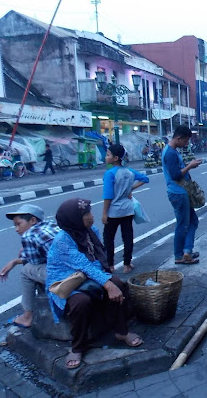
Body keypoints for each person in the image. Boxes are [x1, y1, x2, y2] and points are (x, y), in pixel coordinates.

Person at [46, 198, 142, 370]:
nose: (92, 216)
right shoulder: (62, 240)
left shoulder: (92, 231)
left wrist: (109, 282)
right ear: (74, 219)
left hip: (88, 275)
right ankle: (77, 346)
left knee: (118, 283)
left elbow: (97, 261)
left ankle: (121, 331)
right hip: (67, 281)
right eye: (87, 214)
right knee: (81, 302)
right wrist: (107, 283)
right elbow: (82, 264)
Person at [0, 204, 59, 328]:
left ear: (32, 220)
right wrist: (18, 259)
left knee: (26, 271)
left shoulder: (29, 235)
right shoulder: (50, 225)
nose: (16, 229)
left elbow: (34, 262)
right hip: (77, 269)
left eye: (18, 224)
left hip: (63, 275)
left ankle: (27, 316)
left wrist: (16, 261)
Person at [102, 144, 149, 273]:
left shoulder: (110, 174)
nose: (105, 157)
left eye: (108, 155)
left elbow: (108, 196)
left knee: (109, 238)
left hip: (113, 212)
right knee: (127, 236)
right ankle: (127, 264)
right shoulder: (129, 171)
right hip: (128, 210)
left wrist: (104, 213)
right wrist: (131, 188)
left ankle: (110, 265)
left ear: (116, 158)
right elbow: (145, 179)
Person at [162, 125, 203, 265]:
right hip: (178, 193)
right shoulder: (170, 153)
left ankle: (187, 251)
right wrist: (190, 166)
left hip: (182, 192)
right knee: (182, 225)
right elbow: (175, 175)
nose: (186, 144)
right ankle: (180, 255)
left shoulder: (173, 151)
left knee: (192, 221)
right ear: (178, 138)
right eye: (185, 141)